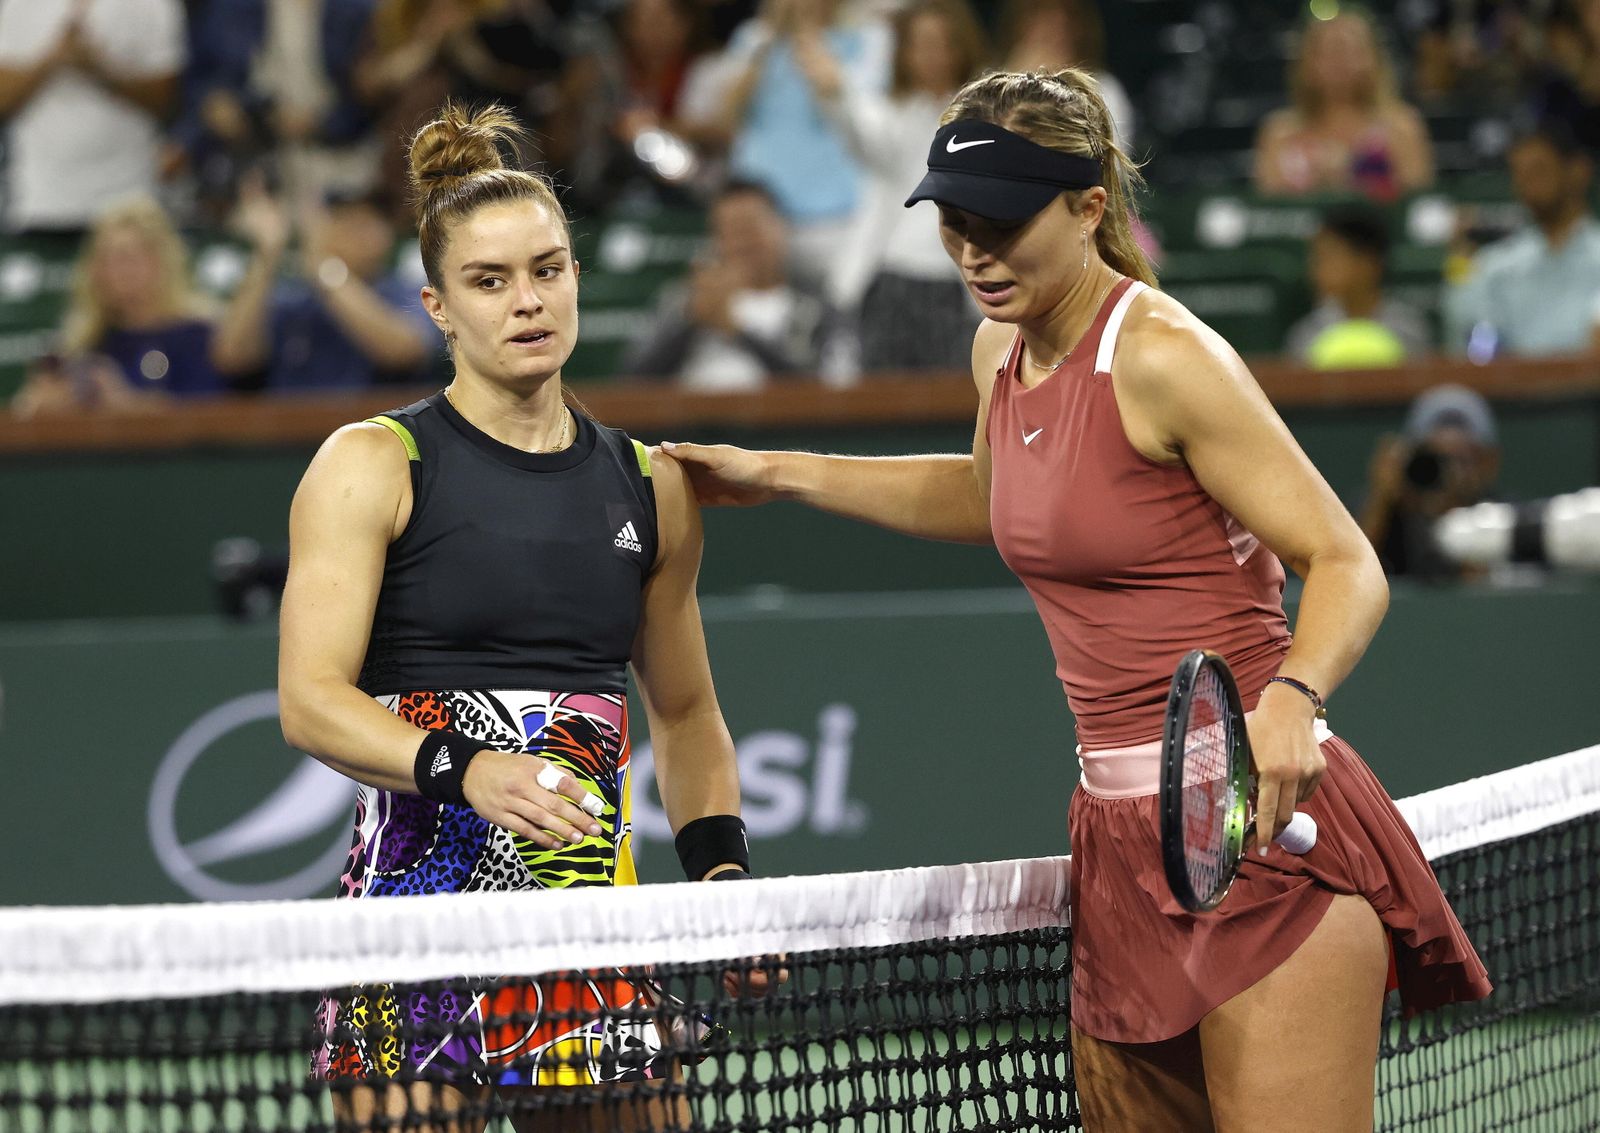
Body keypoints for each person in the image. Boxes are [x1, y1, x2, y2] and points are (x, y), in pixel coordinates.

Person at [660, 68, 1491, 1130]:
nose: (974, 252)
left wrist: (1294, 695)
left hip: (1256, 831)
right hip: (1117, 844)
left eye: (1002, 225)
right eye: (956, 223)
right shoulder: (997, 347)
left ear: (1089, 207)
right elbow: (1001, 495)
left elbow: (1345, 559)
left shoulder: (1165, 357)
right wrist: (781, 472)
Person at [277, 102, 763, 1131]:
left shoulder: (651, 485)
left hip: (589, 928)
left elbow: (682, 714)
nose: (527, 301)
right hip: (408, 931)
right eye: (489, 282)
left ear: (577, 275)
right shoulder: (371, 463)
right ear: (437, 306)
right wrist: (467, 765)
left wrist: (723, 872)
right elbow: (311, 702)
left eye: (547, 269)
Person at [796, 0, 989, 374]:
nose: (932, 55)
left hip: (956, 285)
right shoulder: (895, 114)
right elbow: (866, 138)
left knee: (955, 401)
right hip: (891, 279)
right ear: (905, 53)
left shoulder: (988, 115)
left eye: (942, 42)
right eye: (921, 44)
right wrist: (836, 92)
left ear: (961, 46)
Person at [211, 179, 437, 392]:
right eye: (346, 220)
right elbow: (232, 356)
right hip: (292, 428)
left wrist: (324, 266)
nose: (361, 233)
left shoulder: (402, 290)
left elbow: (404, 351)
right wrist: (267, 254)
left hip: (374, 428)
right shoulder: (294, 298)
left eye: (370, 220)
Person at [11, 196, 225, 417]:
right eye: (106, 260)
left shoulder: (198, 334)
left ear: (162, 261)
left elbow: (211, 415)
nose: (117, 272)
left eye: (127, 257)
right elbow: (24, 413)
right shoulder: (87, 342)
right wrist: (43, 405)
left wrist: (125, 403)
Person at [622, 179, 834, 389]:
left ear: (780, 227)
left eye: (750, 229)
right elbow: (633, 383)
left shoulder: (811, 305)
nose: (742, 243)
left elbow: (818, 390)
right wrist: (693, 320)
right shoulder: (680, 302)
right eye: (730, 232)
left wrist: (738, 331)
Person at [0, 0, 184, 237]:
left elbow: (167, 101)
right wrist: (53, 58)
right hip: (40, 199)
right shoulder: (18, 5)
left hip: (129, 197)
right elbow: (3, 99)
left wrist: (98, 69)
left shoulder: (153, 5)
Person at [1443, 123, 1600, 358]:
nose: (1529, 184)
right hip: (1516, 389)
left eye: (1539, 170)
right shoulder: (1496, 265)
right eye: (1520, 173)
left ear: (1577, 170)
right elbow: (1476, 347)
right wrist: (1460, 261)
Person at [1253, 10, 1433, 201]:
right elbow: (1266, 211)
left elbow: (1419, 207)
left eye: (1351, 50)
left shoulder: (1402, 127)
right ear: (1306, 63)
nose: (1341, 62)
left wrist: (1352, 176)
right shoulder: (1279, 133)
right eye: (1330, 51)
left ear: (1374, 59)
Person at [1359, 384, 1501, 581]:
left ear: (1488, 463)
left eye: (1462, 460)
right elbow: (1351, 580)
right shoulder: (1388, 516)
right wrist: (1381, 500)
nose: (1448, 473)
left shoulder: (1498, 518)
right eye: (1436, 459)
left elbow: (1488, 597)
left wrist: (1457, 512)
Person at [1284, 204, 1431, 368]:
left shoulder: (1408, 329)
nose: (1316, 270)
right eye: (1316, 259)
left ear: (1368, 263)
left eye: (1328, 257)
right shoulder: (1306, 334)